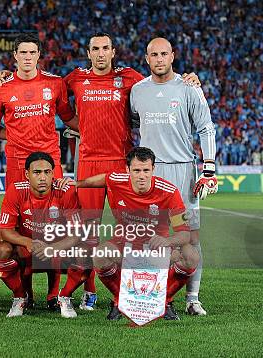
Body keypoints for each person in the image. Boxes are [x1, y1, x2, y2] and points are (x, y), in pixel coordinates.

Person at [62, 32, 202, 311]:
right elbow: (56, 98)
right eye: (95, 49)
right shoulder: (75, 78)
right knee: (88, 233)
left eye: (105, 49)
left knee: (132, 232)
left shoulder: (129, 77)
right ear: (88, 53)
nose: (100, 54)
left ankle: (135, 292)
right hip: (88, 160)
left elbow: (160, 82)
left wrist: (189, 77)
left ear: (113, 52)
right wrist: (84, 128)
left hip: (120, 163)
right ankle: (88, 292)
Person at [0, 33, 75, 307]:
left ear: (38, 55)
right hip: (18, 165)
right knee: (21, 229)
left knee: (52, 228)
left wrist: (98, 131)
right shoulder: (2, 89)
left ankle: (54, 294)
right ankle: (26, 293)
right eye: (23, 53)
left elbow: (68, 117)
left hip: (48, 164)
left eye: (33, 52)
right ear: (16, 56)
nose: (28, 57)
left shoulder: (55, 84)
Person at [130, 37, 217, 316]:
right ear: (146, 59)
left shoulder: (189, 88)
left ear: (172, 56)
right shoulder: (137, 91)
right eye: (153, 54)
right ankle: (147, 296)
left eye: (163, 54)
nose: (159, 59)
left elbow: (206, 128)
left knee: (189, 237)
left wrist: (209, 168)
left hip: (182, 173)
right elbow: (133, 122)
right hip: (150, 174)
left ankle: (192, 298)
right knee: (147, 236)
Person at [75, 147, 199, 320]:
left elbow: (185, 234)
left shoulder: (169, 192)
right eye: (137, 170)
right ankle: (121, 301)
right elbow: (103, 179)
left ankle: (164, 301)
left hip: (156, 251)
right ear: (128, 170)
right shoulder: (118, 180)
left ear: (153, 169)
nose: (142, 175)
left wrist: (166, 240)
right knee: (100, 255)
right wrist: (76, 184)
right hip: (124, 247)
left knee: (190, 255)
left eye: (146, 170)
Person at [0, 151, 86, 318]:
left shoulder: (66, 191)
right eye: (37, 172)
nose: (43, 177)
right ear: (27, 174)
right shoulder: (16, 190)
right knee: (1, 252)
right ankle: (20, 296)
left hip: (57, 249)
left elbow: (77, 234)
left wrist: (52, 248)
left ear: (53, 173)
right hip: (27, 250)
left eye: (47, 172)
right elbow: (5, 230)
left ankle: (62, 297)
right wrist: (28, 242)